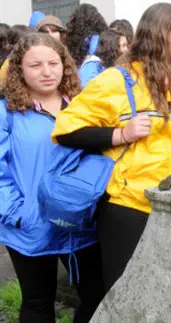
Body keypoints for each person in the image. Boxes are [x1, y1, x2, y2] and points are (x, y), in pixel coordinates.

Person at [52, 2, 171, 293]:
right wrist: (120, 135)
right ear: (158, 36)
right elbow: (66, 130)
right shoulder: (118, 80)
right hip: (130, 209)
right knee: (128, 294)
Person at [0, 33, 104, 323]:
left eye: (53, 63)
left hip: (81, 224)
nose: (47, 72)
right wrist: (15, 212)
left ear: (65, 65)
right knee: (38, 303)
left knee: (97, 295)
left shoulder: (82, 106)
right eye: (35, 65)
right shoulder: (6, 112)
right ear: (19, 69)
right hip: (30, 225)